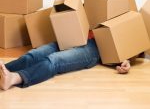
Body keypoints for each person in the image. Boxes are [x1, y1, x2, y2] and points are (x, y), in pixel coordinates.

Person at [0, 31, 131, 91]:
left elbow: (132, 47)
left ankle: (14, 78)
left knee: (54, 60)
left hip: (94, 48)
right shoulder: (96, 6)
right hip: (73, 36)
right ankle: (2, 71)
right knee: (33, 55)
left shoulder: (125, 23)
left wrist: (126, 61)